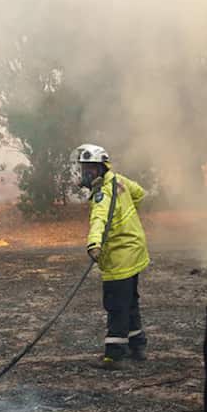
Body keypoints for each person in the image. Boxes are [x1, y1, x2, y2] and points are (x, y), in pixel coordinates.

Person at [74, 143, 150, 367]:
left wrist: (94, 245)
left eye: (88, 170)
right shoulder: (120, 181)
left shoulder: (103, 195)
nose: (84, 174)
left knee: (116, 305)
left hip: (120, 257)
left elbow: (99, 220)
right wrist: (126, 218)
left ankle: (114, 355)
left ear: (100, 169)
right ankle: (138, 347)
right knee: (130, 302)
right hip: (134, 250)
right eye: (83, 169)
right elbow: (140, 194)